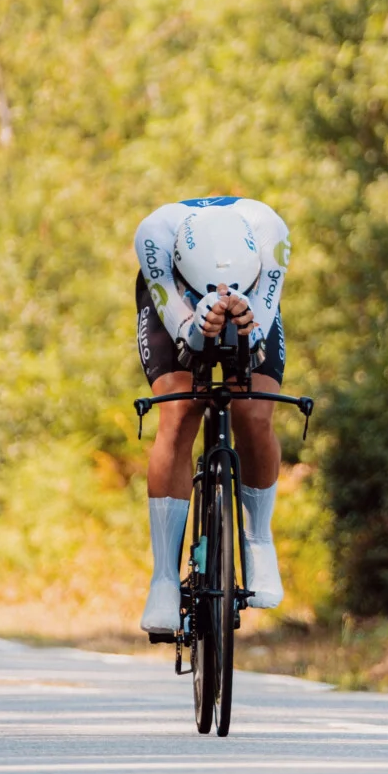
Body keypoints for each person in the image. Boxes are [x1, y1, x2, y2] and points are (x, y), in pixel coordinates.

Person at [133, 195, 290, 635]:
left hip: (255, 300)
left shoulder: (270, 231)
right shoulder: (155, 237)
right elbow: (185, 335)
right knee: (179, 412)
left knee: (255, 413)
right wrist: (194, 326)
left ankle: (258, 539)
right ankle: (164, 578)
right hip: (174, 304)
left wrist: (249, 322)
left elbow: (259, 329)